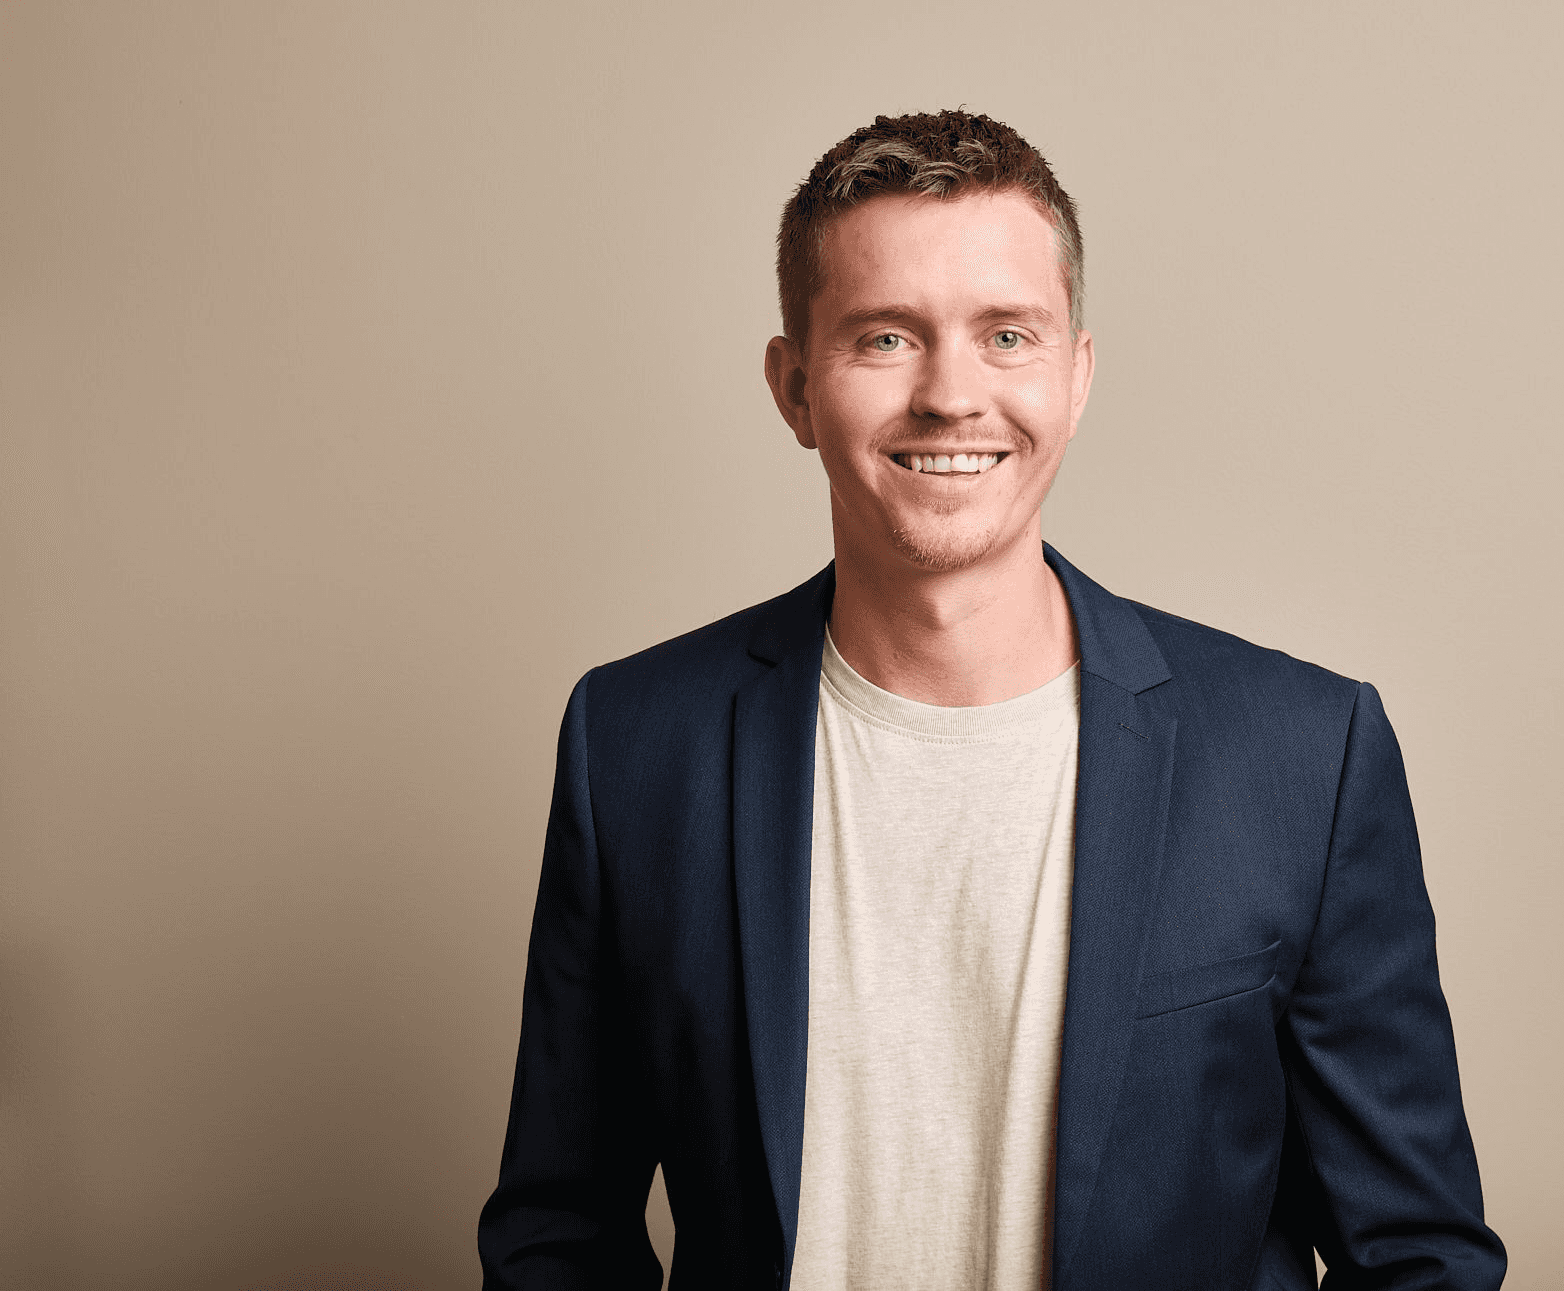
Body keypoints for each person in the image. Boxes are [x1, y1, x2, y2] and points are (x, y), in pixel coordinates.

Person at [478, 110, 1507, 1290]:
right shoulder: (633, 747)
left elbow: (1415, 1256)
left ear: (1075, 376)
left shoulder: (1301, 757)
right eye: (885, 338)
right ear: (794, 388)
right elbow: (558, 1238)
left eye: (1006, 335)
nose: (949, 395)